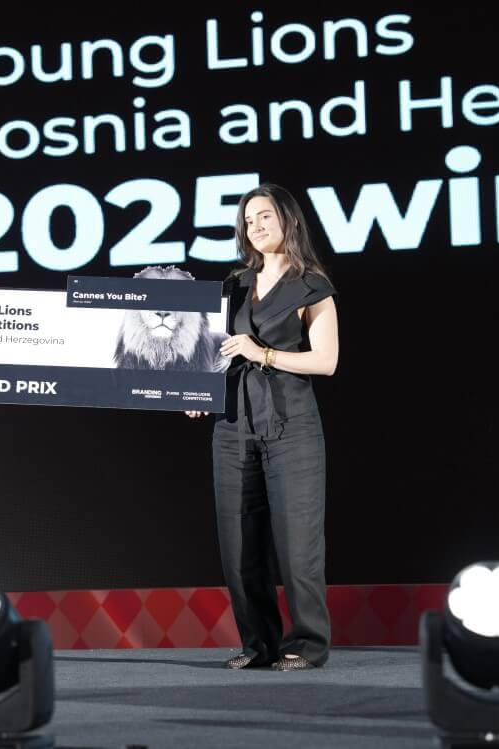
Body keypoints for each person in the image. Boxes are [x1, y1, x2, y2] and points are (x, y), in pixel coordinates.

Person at [188, 183, 339, 671]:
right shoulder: (232, 286)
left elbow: (327, 360)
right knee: (239, 546)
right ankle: (259, 644)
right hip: (232, 426)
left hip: (292, 428)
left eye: (264, 217)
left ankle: (307, 644)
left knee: (298, 547)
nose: (254, 227)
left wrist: (265, 353)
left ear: (288, 220)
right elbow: (210, 352)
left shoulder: (311, 285)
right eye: (248, 220)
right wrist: (196, 392)